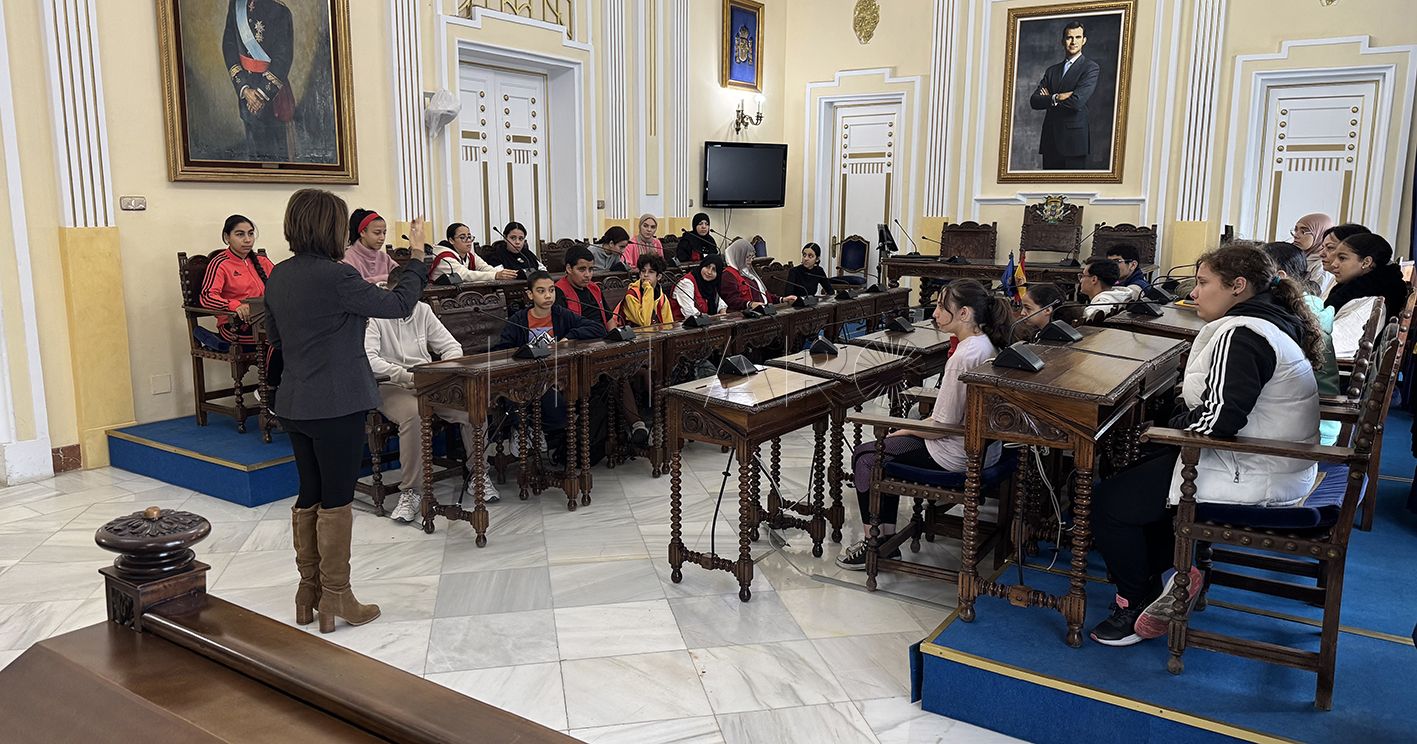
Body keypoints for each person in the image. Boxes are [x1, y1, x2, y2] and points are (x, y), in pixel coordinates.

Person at [1089, 243, 1323, 646]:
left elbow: (1219, 420)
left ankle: (1133, 603)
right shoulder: (1266, 321)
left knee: (1109, 502)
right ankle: (1170, 577)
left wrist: (1170, 423)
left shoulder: (1243, 333)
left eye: (1202, 283)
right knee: (1136, 473)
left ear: (1238, 286)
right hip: (1262, 461)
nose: (1192, 293)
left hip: (1252, 469)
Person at [263, 190, 431, 634]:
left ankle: (308, 592)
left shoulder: (278, 274)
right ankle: (336, 595)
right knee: (335, 499)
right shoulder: (337, 277)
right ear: (329, 228)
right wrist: (416, 256)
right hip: (336, 402)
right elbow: (399, 306)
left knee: (310, 493)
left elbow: (275, 337)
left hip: (296, 401)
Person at [836, 279, 1009, 569]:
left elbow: (942, 424)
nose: (935, 313)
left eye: (943, 306)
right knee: (889, 447)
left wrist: (902, 429)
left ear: (964, 313)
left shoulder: (964, 356)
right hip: (984, 449)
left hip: (955, 452)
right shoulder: (986, 344)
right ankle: (886, 539)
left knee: (867, 456)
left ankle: (875, 545)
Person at [366, 301, 501, 517]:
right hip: (390, 384)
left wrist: (443, 371)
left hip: (429, 382)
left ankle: (477, 474)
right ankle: (412, 491)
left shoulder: (422, 309)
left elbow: (451, 346)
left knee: (472, 406)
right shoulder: (375, 314)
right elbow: (370, 360)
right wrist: (406, 376)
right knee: (414, 415)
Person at [497, 271, 605, 465]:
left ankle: (542, 431)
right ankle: (523, 427)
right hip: (526, 377)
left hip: (558, 376)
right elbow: (502, 350)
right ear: (530, 295)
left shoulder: (560, 314)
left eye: (551, 290)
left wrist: (568, 338)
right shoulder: (519, 320)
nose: (548, 296)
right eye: (541, 291)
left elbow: (597, 328)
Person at [555, 245, 650, 447]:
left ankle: (641, 425)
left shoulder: (594, 288)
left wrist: (616, 338)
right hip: (576, 353)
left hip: (603, 348)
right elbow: (563, 332)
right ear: (568, 268)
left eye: (591, 269)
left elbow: (609, 320)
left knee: (635, 368)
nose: (588, 274)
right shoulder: (559, 292)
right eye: (582, 269)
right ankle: (635, 425)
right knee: (617, 374)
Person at [1262, 241, 1340, 446]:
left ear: (1280, 276)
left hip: (1307, 431)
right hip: (1320, 422)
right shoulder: (1310, 304)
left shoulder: (1288, 317)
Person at [222, 0, 294, 162]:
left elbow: (283, 58)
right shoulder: (236, 5)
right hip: (246, 90)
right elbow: (229, 45)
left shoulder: (280, 11)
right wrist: (244, 88)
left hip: (271, 94)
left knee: (275, 157)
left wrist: (261, 94)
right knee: (253, 155)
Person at [1028, 20, 1101, 170]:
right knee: (1048, 190)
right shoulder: (1052, 71)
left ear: (1084, 40)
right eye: (1069, 37)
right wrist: (1057, 97)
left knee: (1072, 191)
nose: (1073, 42)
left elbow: (1076, 102)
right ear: (1063, 41)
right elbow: (1034, 101)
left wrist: (1048, 99)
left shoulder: (1090, 68)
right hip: (1050, 140)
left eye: (1078, 37)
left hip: (1073, 142)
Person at [200, 214, 276, 343]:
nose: (247, 240)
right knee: (278, 340)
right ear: (227, 237)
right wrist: (235, 305)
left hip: (264, 320)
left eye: (250, 234)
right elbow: (207, 297)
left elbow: (282, 288)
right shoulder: (220, 263)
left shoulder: (262, 261)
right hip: (235, 325)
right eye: (240, 234)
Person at [1324, 232, 1408, 323]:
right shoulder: (1352, 288)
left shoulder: (1371, 298)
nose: (1334, 264)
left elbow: (1340, 335)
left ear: (1366, 262)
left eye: (1342, 258)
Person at [430, 223, 517, 283]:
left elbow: (485, 268)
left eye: (469, 237)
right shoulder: (444, 257)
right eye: (463, 237)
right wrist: (496, 275)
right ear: (451, 240)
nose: (468, 241)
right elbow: (464, 275)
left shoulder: (469, 254)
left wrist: (507, 274)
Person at [723, 237, 797, 308]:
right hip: (744, 316)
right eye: (747, 257)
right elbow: (731, 300)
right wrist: (750, 304)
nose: (751, 260)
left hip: (763, 311)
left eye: (752, 257)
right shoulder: (728, 274)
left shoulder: (749, 272)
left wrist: (782, 299)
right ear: (738, 255)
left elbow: (764, 295)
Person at [618, 253, 675, 327]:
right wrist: (648, 289)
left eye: (651, 272)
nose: (646, 275)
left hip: (655, 334)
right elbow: (645, 322)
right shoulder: (631, 295)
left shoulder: (661, 296)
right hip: (636, 335)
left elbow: (668, 323)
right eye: (643, 271)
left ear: (659, 276)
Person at [343, 209, 397, 284]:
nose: (382, 237)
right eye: (377, 233)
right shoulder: (347, 259)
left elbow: (399, 277)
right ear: (363, 232)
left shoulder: (384, 258)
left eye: (384, 233)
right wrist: (385, 278)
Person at [1078, 257, 1141, 321]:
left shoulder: (1094, 312)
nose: (1080, 281)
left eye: (1083, 276)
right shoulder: (1121, 296)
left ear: (1094, 279)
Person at [1290, 212, 1335, 297]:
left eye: (1303, 232)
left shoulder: (1323, 265)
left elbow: (1313, 297)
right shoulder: (1296, 256)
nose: (1296, 235)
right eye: (1296, 230)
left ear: (1320, 235)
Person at [674, 254, 728, 319]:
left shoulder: (711, 285)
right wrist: (711, 318)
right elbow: (689, 312)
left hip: (704, 325)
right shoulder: (686, 283)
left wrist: (722, 312)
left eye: (714, 270)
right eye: (707, 267)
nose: (709, 272)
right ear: (702, 265)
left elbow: (720, 304)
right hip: (681, 325)